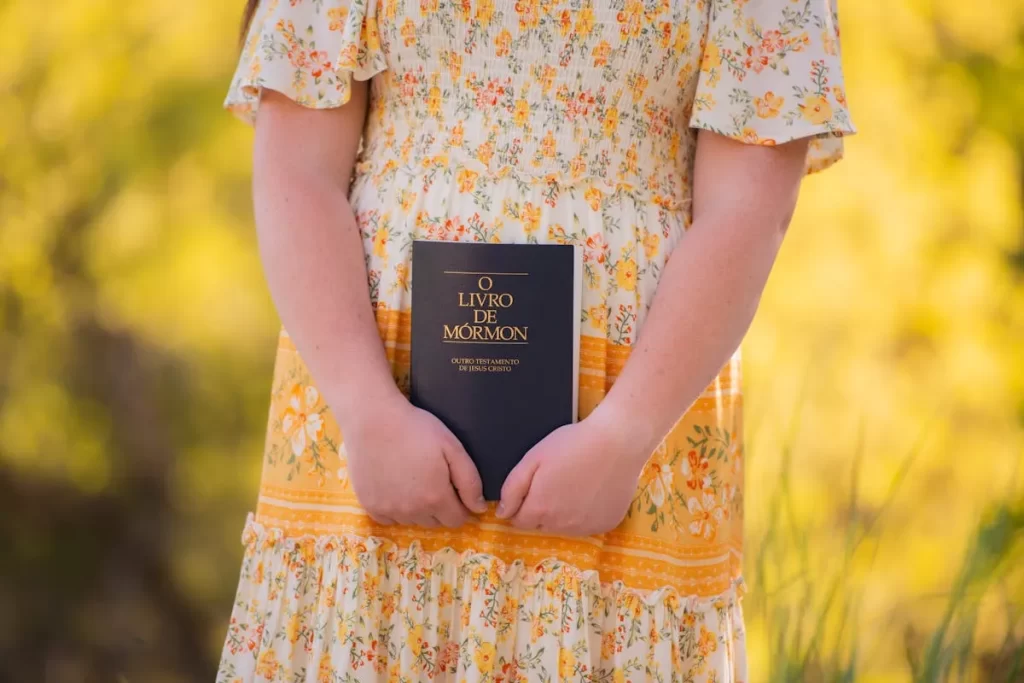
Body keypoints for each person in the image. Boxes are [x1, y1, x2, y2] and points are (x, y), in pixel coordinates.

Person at [216, 0, 854, 680]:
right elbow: (295, 167)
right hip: (366, 419)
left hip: (632, 433)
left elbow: (749, 210)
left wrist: (625, 433)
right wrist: (364, 407)